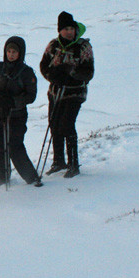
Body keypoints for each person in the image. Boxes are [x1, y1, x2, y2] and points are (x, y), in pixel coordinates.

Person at [39, 11, 94, 178]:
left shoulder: (83, 47)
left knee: (67, 125)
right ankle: (58, 162)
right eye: (66, 29)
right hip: (56, 92)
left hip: (75, 92)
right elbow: (43, 65)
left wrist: (72, 74)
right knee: (54, 125)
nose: (69, 32)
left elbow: (89, 72)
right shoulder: (53, 45)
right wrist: (52, 76)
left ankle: (73, 164)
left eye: (71, 28)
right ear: (59, 30)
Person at [0, 36, 43, 188]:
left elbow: (31, 96)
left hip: (16, 116)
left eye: (14, 52)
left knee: (15, 147)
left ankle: (31, 178)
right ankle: (1, 178)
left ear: (20, 53)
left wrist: (13, 101)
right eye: (8, 51)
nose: (11, 54)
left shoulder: (27, 72)